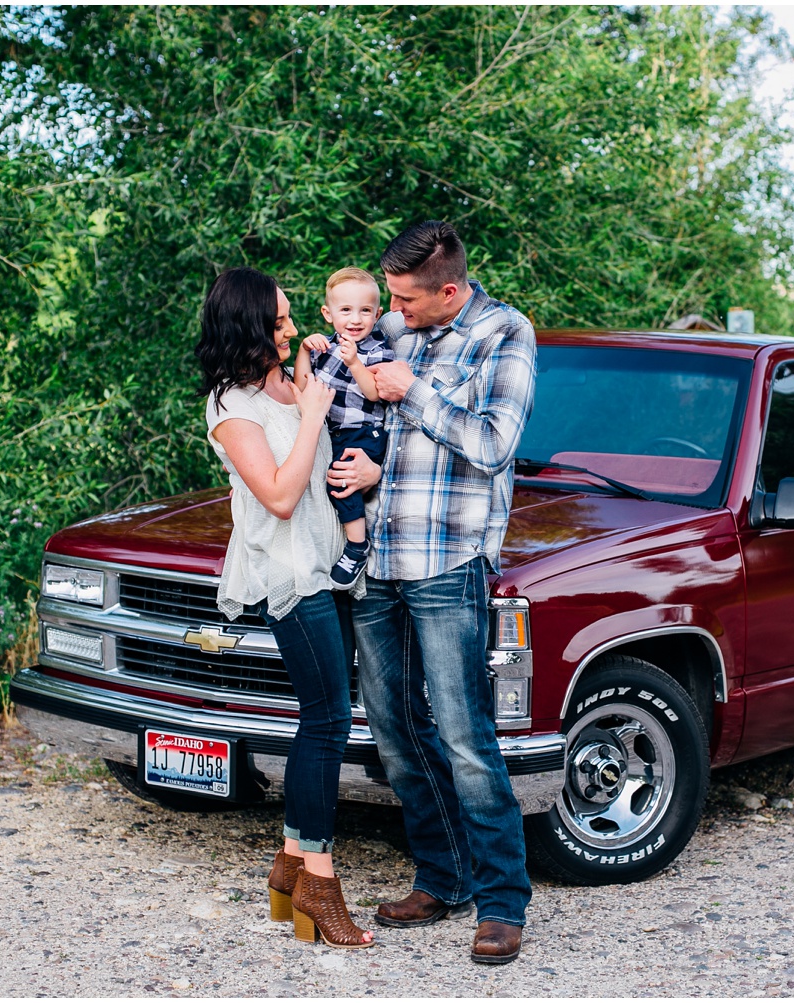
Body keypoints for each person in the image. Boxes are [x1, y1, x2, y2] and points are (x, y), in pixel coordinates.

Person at [332, 220, 538, 965]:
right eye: (389, 296)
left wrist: (414, 391)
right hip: (379, 557)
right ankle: (442, 875)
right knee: (393, 727)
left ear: (448, 291)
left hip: (448, 561)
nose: (393, 309)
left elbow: (492, 443)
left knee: (464, 735)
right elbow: (350, 372)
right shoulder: (396, 325)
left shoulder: (505, 335)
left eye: (407, 298)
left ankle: (502, 901)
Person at [195, 266, 375, 950]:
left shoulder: (283, 378)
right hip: (288, 578)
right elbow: (277, 493)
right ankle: (319, 886)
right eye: (280, 321)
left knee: (320, 720)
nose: (294, 328)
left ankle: (289, 869)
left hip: (318, 566)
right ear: (247, 327)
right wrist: (311, 416)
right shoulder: (231, 406)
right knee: (327, 723)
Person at [292, 267, 393, 587]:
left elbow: (375, 393)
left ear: (377, 314)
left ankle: (357, 547)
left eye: (365, 311)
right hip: (332, 432)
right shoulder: (324, 347)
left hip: (364, 431)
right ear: (328, 313)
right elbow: (302, 388)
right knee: (320, 482)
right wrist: (303, 351)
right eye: (346, 310)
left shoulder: (378, 349)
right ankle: (329, 544)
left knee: (342, 481)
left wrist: (354, 363)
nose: (355, 319)